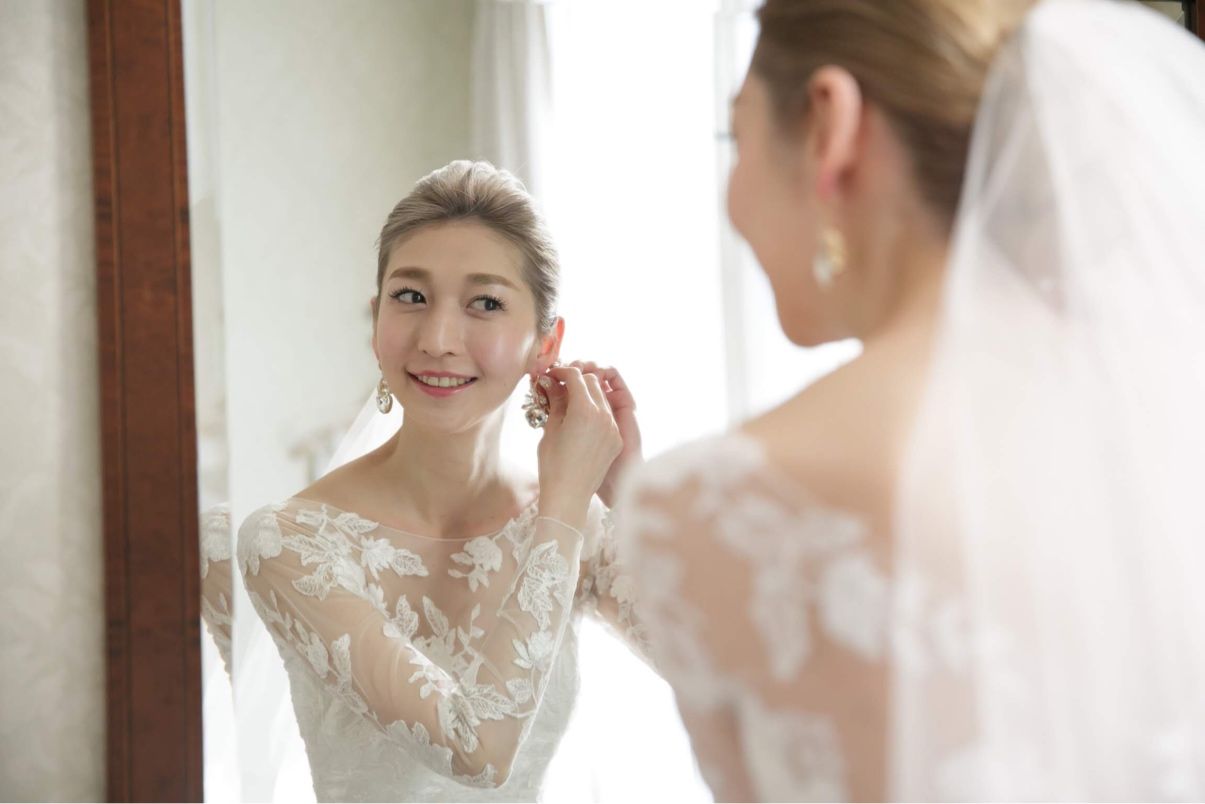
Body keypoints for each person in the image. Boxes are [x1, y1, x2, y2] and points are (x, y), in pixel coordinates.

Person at [613, 0, 1205, 800]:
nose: (733, 200)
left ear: (829, 127)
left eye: (737, 136)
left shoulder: (717, 502)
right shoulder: (1167, 415)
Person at [231, 160, 648, 801]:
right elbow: (476, 752)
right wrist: (566, 503)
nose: (438, 339)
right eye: (410, 296)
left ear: (546, 343)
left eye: (486, 303)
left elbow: (734, 685)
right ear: (377, 320)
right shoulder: (289, 543)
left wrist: (633, 500)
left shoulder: (574, 525)